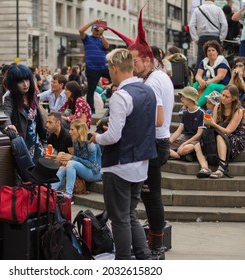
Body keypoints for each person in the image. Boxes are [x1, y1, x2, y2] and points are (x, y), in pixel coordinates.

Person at [105, 7, 174, 259]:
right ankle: (152, 248)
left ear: (146, 59)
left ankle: (156, 247)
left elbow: (157, 119)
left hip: (152, 144)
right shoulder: (159, 77)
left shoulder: (153, 81)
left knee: (149, 198)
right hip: (156, 142)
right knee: (145, 199)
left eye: (134, 61)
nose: (131, 66)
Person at [89, 48, 157, 260]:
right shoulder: (148, 91)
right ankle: (144, 255)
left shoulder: (121, 96)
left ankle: (123, 262)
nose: (108, 72)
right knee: (129, 214)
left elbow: (113, 137)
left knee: (119, 219)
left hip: (119, 163)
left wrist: (96, 138)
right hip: (141, 162)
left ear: (115, 68)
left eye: (109, 68)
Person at [195, 84, 245, 179]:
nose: (223, 98)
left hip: (235, 137)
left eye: (226, 96)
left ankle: (222, 168)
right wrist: (208, 123)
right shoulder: (218, 106)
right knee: (198, 144)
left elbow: (229, 131)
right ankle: (205, 168)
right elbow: (213, 125)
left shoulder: (238, 110)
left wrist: (213, 124)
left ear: (234, 98)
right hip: (219, 132)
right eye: (222, 95)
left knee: (220, 137)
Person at [3, 64, 47, 163]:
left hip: (36, 144)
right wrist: (8, 125)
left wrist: (44, 142)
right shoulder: (10, 97)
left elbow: (39, 122)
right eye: (20, 81)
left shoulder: (33, 96)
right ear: (14, 83)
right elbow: (6, 113)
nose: (25, 84)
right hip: (22, 146)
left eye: (27, 80)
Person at [51, 119, 102, 204]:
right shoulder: (75, 142)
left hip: (95, 173)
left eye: (72, 129)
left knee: (71, 164)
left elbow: (91, 164)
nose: (69, 132)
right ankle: (50, 191)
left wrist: (72, 158)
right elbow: (77, 160)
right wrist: (67, 161)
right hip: (84, 169)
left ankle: (68, 196)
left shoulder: (90, 144)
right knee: (63, 167)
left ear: (80, 130)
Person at [79, 18, 111, 114]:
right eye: (96, 30)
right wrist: (93, 22)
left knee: (117, 79)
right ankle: (91, 110)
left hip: (103, 67)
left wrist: (102, 35)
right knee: (91, 90)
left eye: (99, 31)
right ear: (92, 30)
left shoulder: (101, 39)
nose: (97, 33)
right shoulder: (87, 39)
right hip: (92, 69)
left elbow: (107, 46)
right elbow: (81, 30)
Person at [188, 0, 228, 74]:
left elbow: (191, 25)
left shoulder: (198, 9)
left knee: (200, 60)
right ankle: (216, 79)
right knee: (217, 60)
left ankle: (197, 81)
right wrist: (221, 38)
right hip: (215, 37)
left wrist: (196, 39)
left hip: (202, 37)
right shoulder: (218, 9)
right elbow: (224, 24)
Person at [169, 87, 205, 161]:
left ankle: (178, 154)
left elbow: (198, 134)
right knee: (162, 147)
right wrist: (169, 142)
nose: (181, 99)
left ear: (190, 98)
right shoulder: (185, 113)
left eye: (183, 97)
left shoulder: (201, 113)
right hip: (185, 138)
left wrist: (184, 144)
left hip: (195, 140)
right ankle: (182, 156)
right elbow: (179, 131)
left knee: (184, 149)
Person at [193, 40, 231, 108]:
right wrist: (201, 81)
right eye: (209, 50)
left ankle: (196, 106)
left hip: (223, 86)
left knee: (211, 86)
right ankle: (187, 104)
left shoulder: (222, 61)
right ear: (206, 53)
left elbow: (220, 77)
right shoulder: (204, 62)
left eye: (213, 50)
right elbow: (198, 75)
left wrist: (206, 83)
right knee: (196, 84)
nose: (211, 52)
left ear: (217, 52)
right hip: (207, 83)